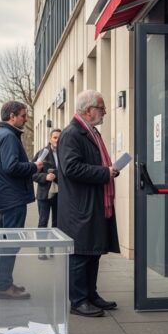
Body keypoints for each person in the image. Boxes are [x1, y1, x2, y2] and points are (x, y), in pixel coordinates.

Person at [57, 90, 121, 318]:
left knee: (93, 252)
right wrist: (104, 172)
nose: (104, 111)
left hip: (91, 203)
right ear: (88, 110)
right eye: (101, 107)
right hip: (79, 206)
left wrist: (107, 171)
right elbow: (71, 168)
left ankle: (90, 294)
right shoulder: (72, 134)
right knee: (81, 253)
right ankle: (78, 300)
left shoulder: (89, 132)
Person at [0, 100, 40, 300]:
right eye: (23, 115)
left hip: (8, 196)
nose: (25, 119)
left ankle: (4, 283)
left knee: (5, 242)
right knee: (10, 243)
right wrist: (34, 166)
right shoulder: (9, 136)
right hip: (13, 198)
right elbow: (12, 167)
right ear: (12, 116)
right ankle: (3, 286)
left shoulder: (2, 134)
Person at [32, 128, 61, 260]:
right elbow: (32, 173)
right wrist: (45, 177)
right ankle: (41, 250)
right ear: (50, 139)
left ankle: (52, 249)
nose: (57, 140)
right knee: (43, 222)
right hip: (44, 193)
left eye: (59, 137)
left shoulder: (65, 153)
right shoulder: (42, 153)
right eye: (55, 137)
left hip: (60, 193)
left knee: (56, 222)